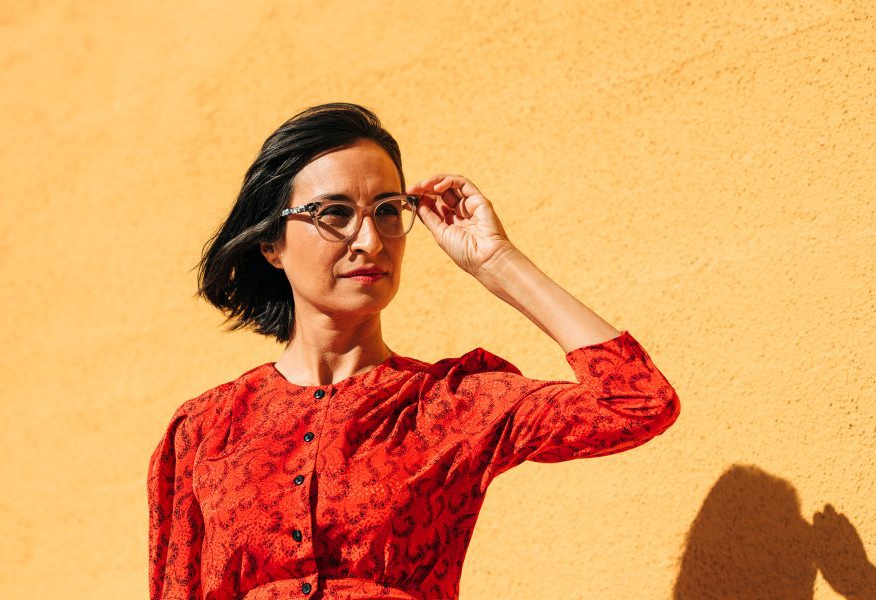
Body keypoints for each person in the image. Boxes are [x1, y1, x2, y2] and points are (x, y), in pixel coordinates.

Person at [147, 102, 681, 600]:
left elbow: (637, 403)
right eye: (333, 213)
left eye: (386, 210)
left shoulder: (451, 406)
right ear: (271, 244)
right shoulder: (206, 429)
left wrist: (496, 263)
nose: (371, 241)